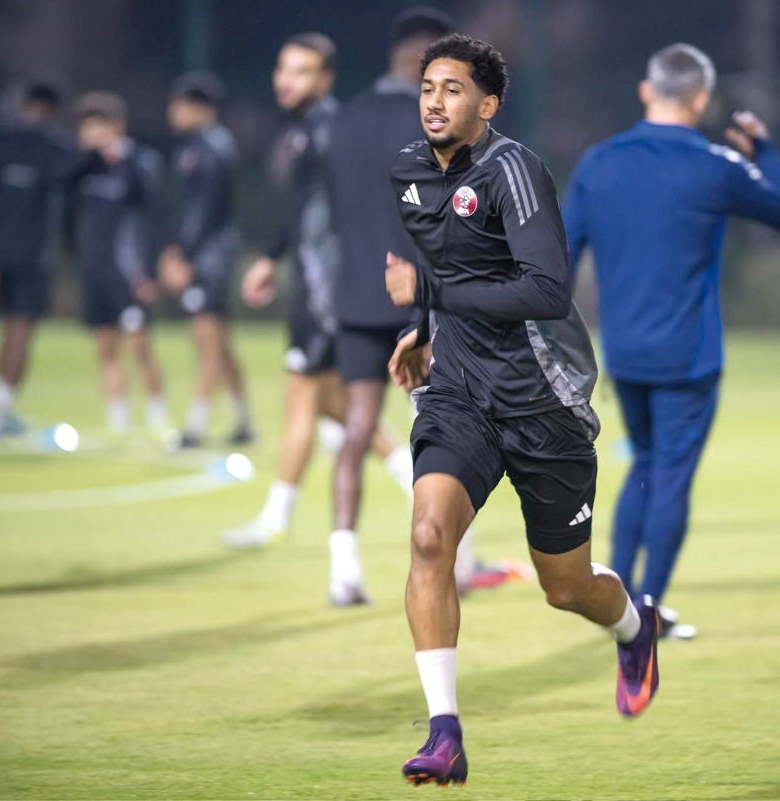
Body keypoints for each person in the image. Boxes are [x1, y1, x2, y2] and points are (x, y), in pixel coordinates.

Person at [384, 34, 660, 787]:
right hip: (459, 392)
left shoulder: (515, 170)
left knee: (565, 586)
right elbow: (446, 273)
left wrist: (429, 300)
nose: (436, 101)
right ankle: (445, 731)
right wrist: (421, 331)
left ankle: (636, 627)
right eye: (428, 87)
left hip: (545, 400)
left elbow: (545, 290)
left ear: (487, 103)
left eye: (453, 89)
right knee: (429, 532)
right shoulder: (409, 173)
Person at [562, 44, 780, 639]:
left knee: (643, 466)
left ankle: (616, 604)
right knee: (669, 476)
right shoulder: (714, 163)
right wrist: (765, 152)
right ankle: (645, 609)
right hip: (688, 356)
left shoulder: (598, 163)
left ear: (647, 91)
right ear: (701, 98)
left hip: (624, 354)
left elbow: (559, 261)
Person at [326, 8, 522, 597]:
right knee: (443, 432)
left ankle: (344, 570)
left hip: (355, 292)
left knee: (358, 428)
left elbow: (327, 207)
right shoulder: (434, 126)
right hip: (422, 294)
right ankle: (458, 567)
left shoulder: (345, 118)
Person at [222, 34, 407, 600]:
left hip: (331, 294)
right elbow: (304, 214)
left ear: (326, 78)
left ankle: (280, 516)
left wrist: (326, 296)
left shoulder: (333, 130)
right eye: (282, 68)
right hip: (325, 288)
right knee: (337, 408)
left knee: (310, 399)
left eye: (301, 71)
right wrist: (273, 258)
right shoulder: (307, 130)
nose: (286, 80)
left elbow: (337, 222)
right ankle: (413, 482)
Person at [158, 71, 254, 447]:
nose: (172, 112)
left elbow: (203, 211)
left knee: (207, 341)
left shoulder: (207, 148)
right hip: (210, 253)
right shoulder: (202, 145)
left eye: (178, 104)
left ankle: (194, 429)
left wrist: (184, 255)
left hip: (208, 257)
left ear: (198, 107)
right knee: (220, 342)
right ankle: (243, 422)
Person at [67, 91, 170, 438]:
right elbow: (61, 188)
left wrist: (149, 271)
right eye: (86, 128)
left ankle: (158, 416)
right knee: (106, 346)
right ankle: (118, 420)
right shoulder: (85, 166)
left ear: (116, 127)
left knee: (140, 345)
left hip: (129, 273)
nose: (91, 135)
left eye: (97, 127)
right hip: (96, 270)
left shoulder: (140, 163)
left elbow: (154, 219)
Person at [0, 82, 72, 435]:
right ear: (54, 110)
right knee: (20, 328)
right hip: (31, 256)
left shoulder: (2, 142)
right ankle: (0, 408)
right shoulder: (58, 149)